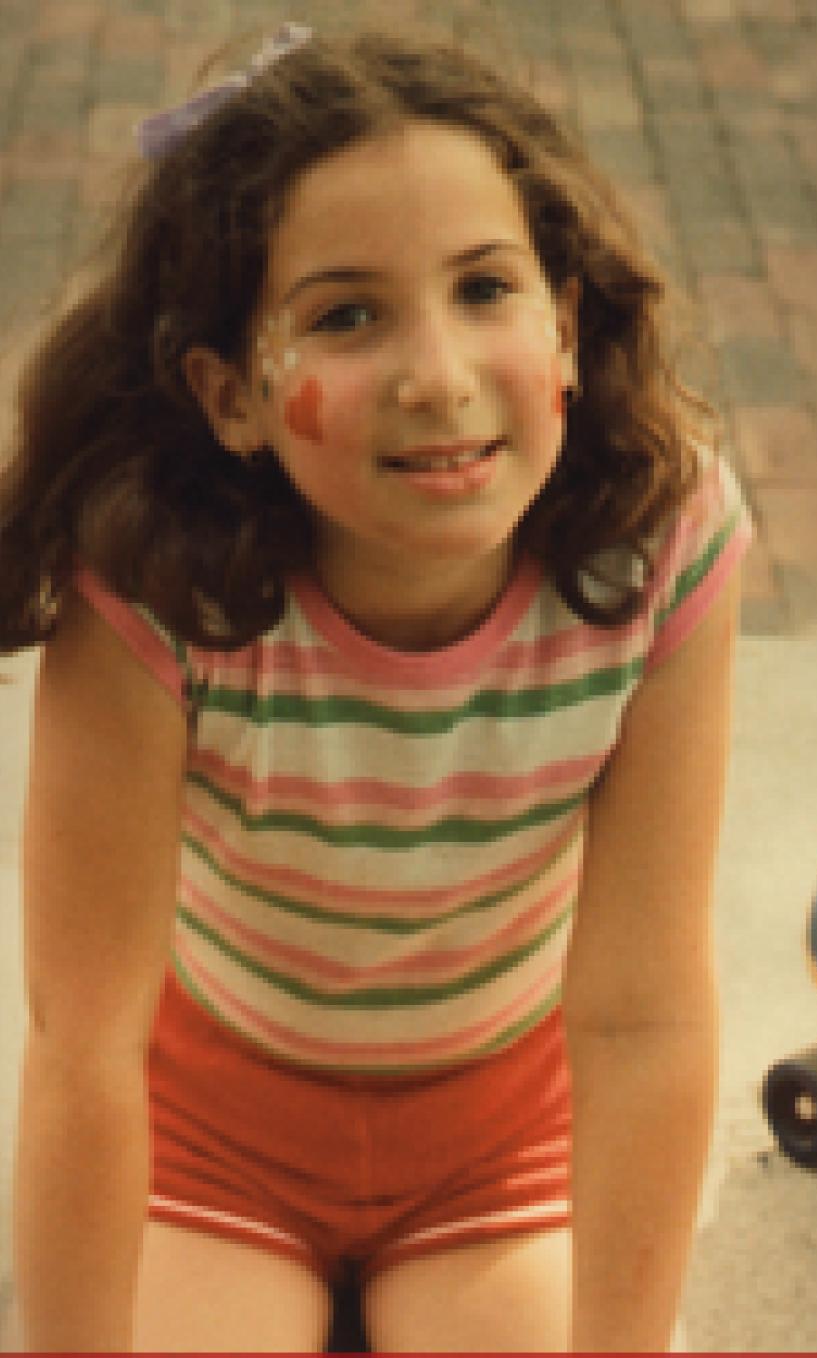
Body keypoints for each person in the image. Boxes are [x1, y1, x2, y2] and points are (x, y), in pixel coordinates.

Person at [0, 17, 751, 1353]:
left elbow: (643, 1013)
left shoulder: (665, 541)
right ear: (231, 394)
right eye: (347, 312)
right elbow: (84, 1043)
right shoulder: (153, 582)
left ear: (567, 327)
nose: (438, 377)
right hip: (209, 1136)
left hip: (504, 1140)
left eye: (484, 289)